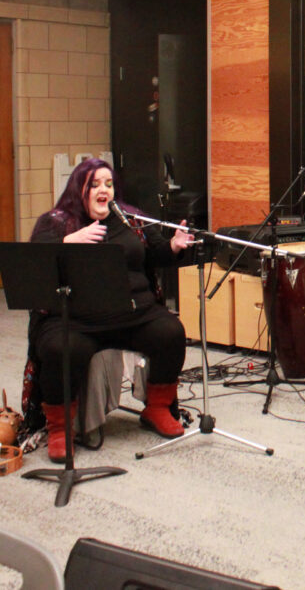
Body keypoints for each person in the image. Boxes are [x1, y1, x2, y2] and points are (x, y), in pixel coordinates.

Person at [27, 158, 195, 462]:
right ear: (79, 188)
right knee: (59, 348)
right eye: (95, 184)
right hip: (78, 320)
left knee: (170, 332)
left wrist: (173, 246)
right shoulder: (57, 221)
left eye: (109, 183)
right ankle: (59, 428)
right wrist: (67, 242)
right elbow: (34, 269)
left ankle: (156, 408)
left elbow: (153, 254)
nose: (104, 190)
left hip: (133, 314)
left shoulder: (128, 218)